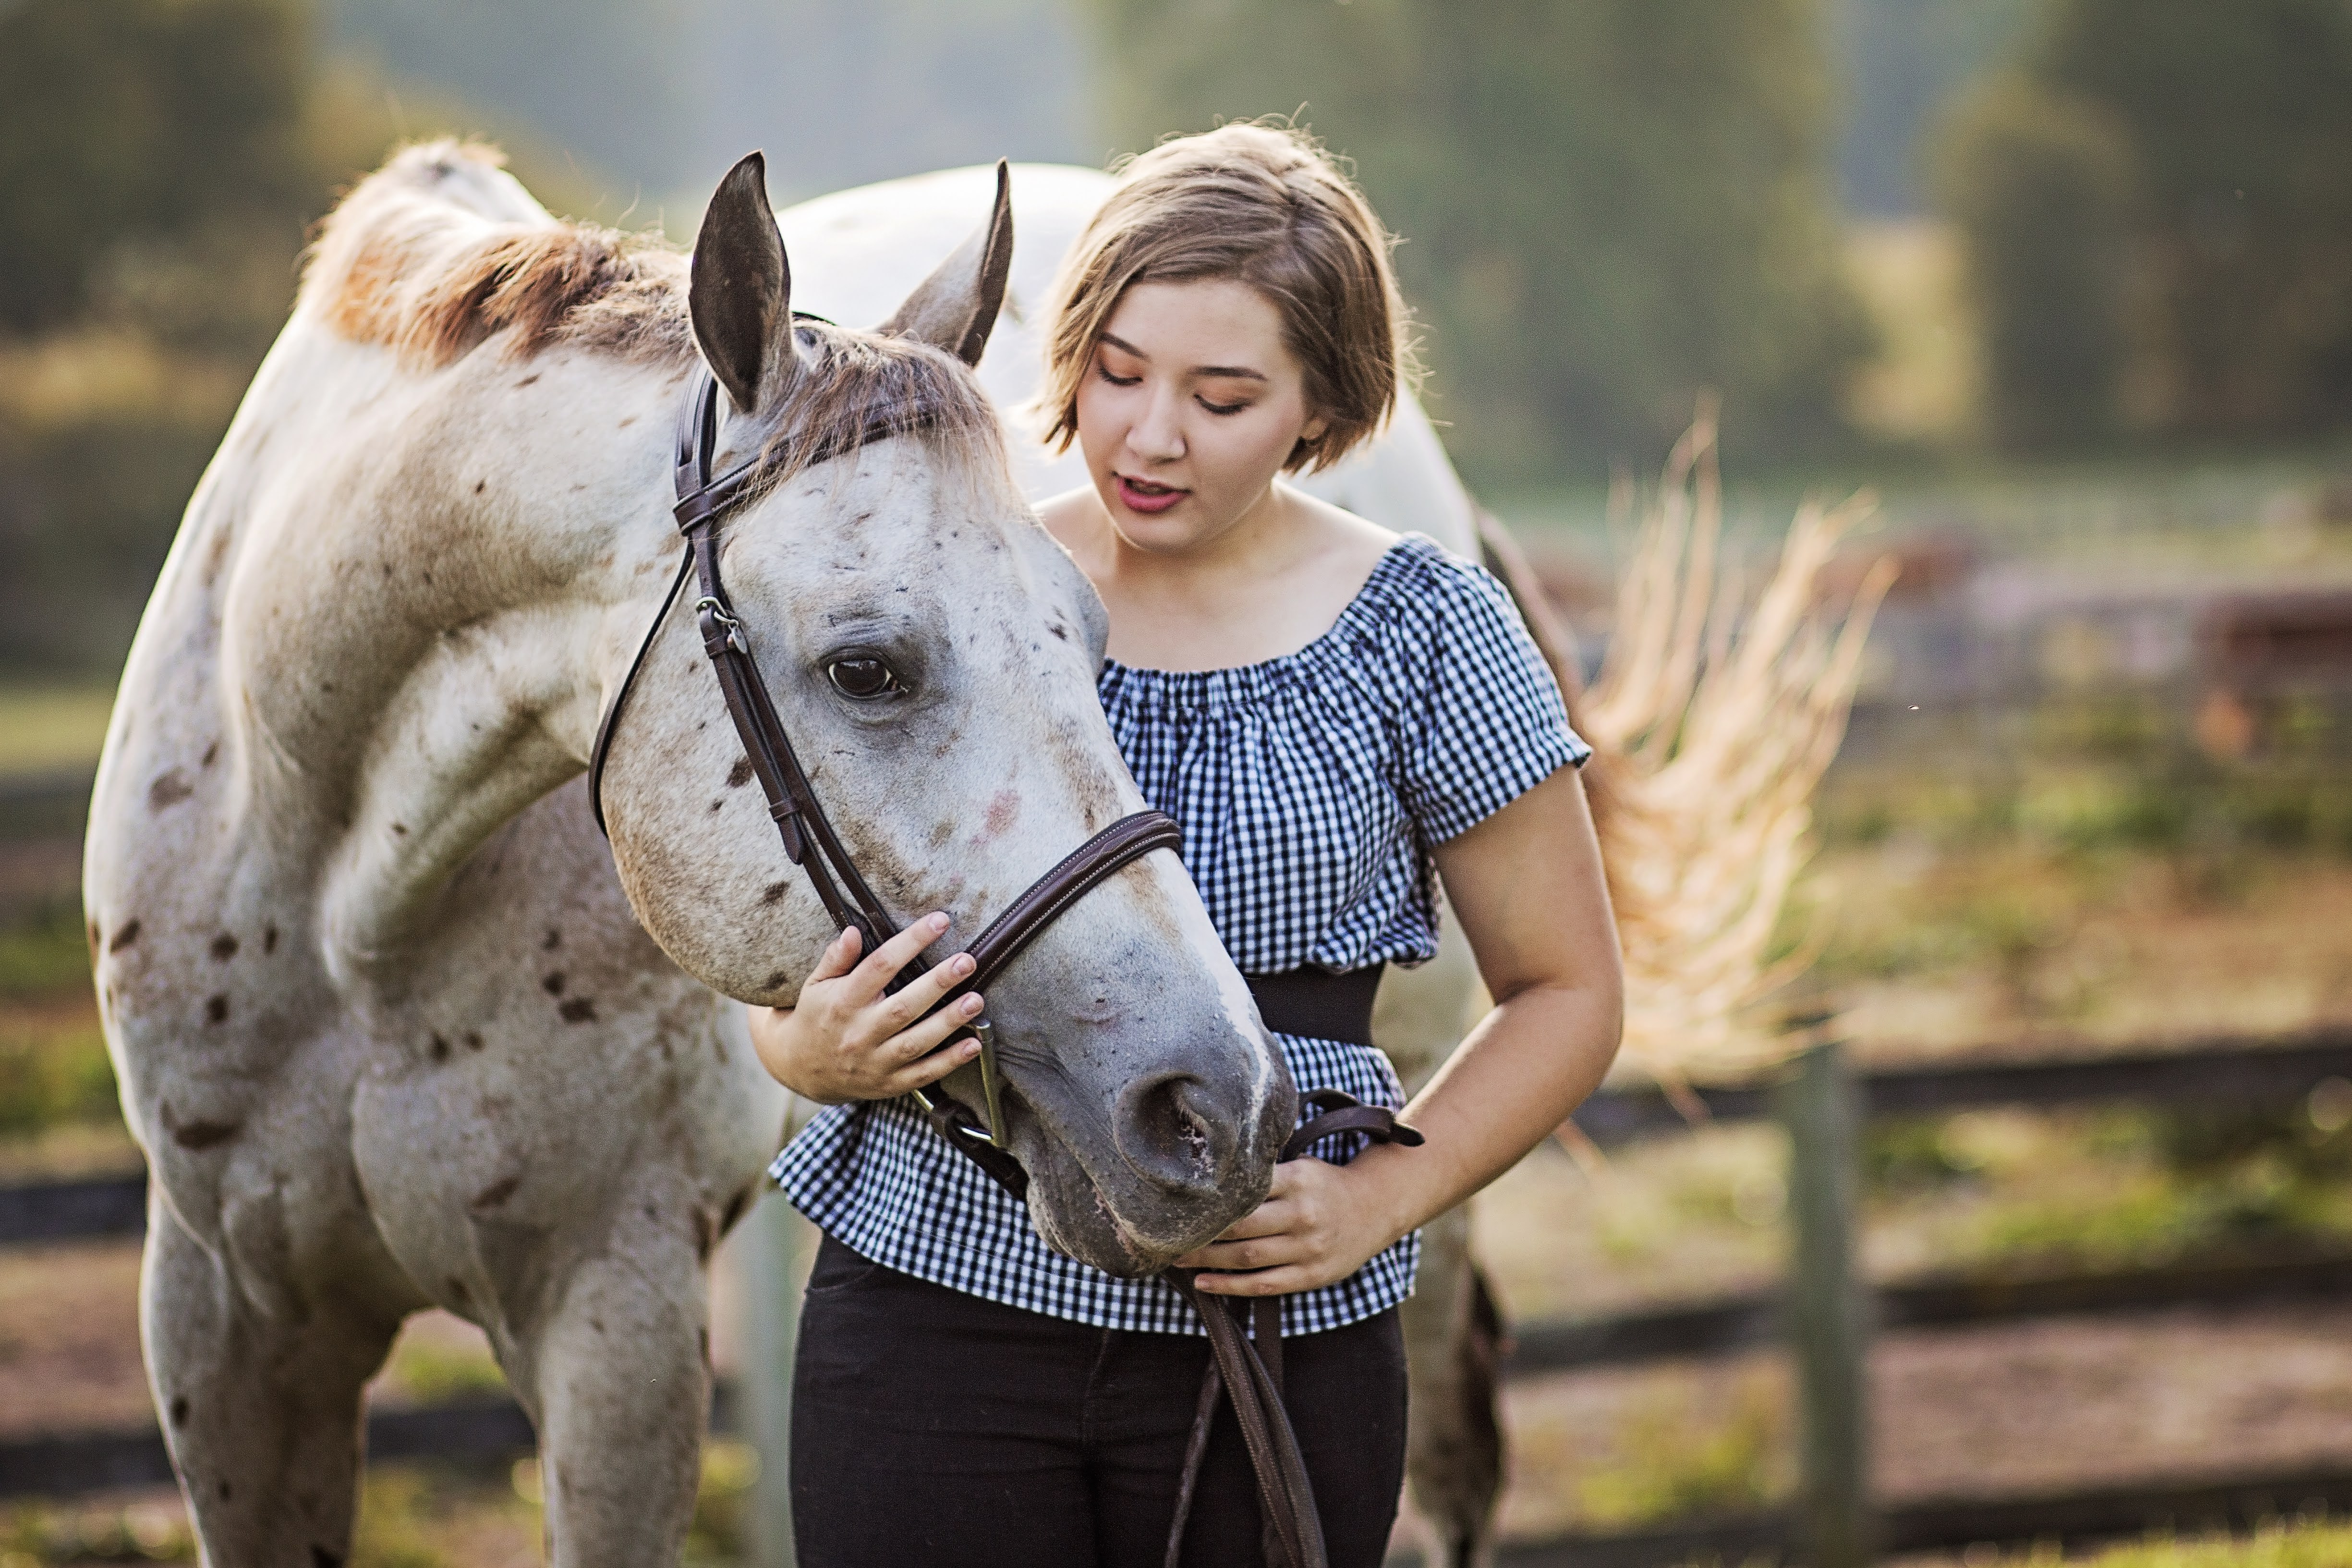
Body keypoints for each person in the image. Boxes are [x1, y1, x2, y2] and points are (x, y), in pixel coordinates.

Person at [749, 122, 1623, 1568]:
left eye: (1221, 398)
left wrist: (1387, 1197)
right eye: (1117, 372)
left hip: (1275, 1322)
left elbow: (1569, 992)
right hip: (930, 1316)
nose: (1152, 435)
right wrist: (808, 1050)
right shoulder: (959, 590)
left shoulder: (1427, 627)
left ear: (1322, 405)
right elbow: (785, 963)